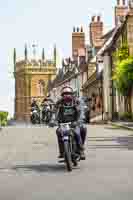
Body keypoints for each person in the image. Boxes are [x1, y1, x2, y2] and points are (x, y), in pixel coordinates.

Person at [55, 86, 87, 160]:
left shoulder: (77, 101)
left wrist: (79, 120)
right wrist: (53, 120)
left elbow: (81, 112)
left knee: (78, 131)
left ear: (72, 94)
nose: (67, 95)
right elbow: (54, 112)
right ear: (62, 95)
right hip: (63, 123)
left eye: (68, 93)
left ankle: (81, 150)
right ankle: (62, 151)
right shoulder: (59, 102)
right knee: (58, 132)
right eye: (65, 94)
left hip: (74, 122)